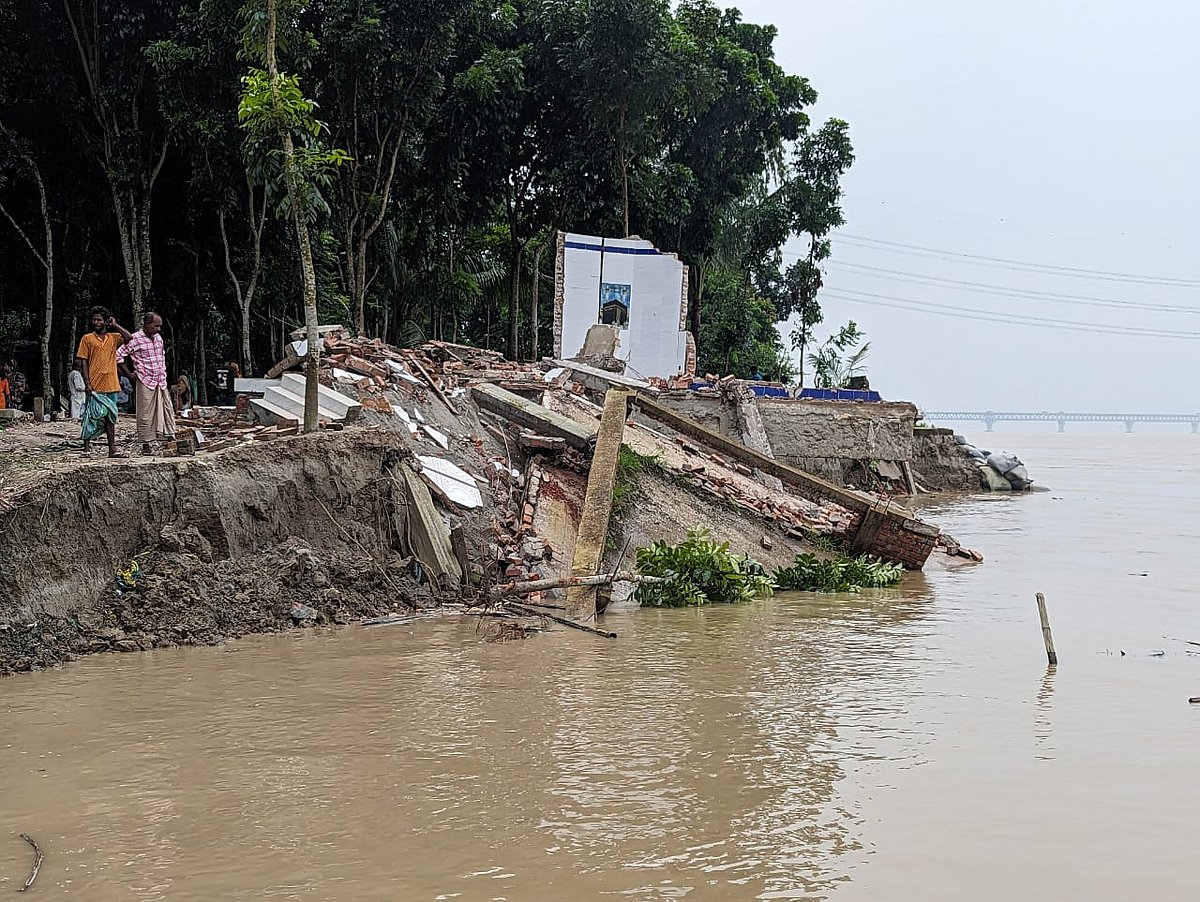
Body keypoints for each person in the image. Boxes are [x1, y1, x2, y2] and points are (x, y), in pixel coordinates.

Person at [115, 311, 176, 456]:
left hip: (160, 379)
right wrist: (129, 374)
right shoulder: (135, 339)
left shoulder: (159, 338)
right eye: (156, 326)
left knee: (167, 408)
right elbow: (118, 356)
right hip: (145, 379)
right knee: (145, 413)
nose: (158, 329)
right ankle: (146, 444)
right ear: (147, 325)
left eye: (159, 326)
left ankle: (169, 436)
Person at [76, 306, 126, 457]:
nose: (96, 322)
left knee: (110, 417)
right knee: (91, 415)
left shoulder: (113, 338)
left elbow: (129, 338)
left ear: (105, 321)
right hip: (95, 384)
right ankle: (86, 448)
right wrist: (87, 382)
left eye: (99, 320)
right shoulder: (87, 339)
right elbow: (83, 361)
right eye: (94, 320)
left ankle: (112, 449)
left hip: (111, 384)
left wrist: (115, 325)